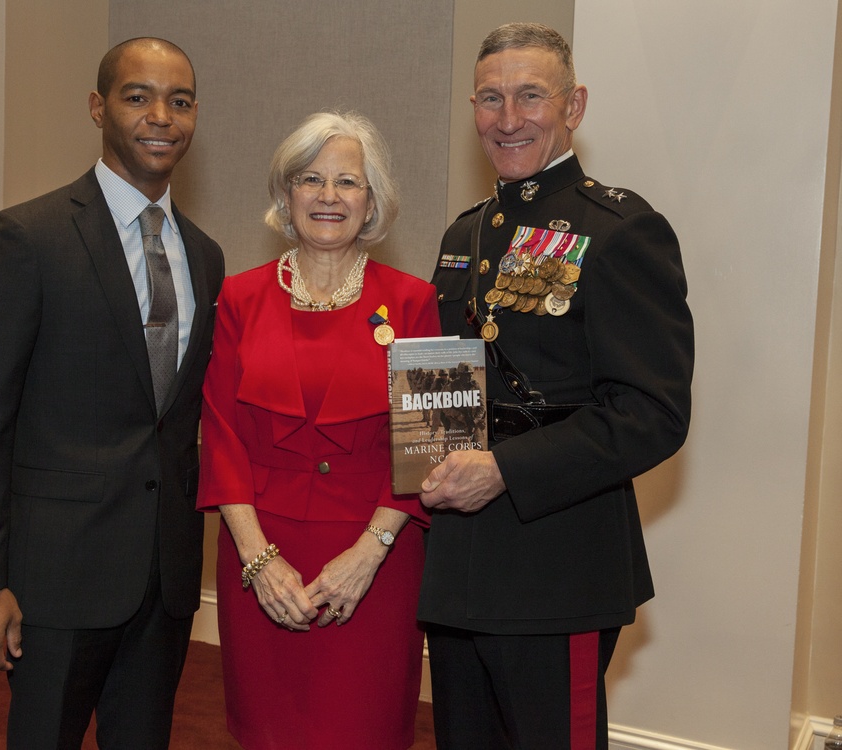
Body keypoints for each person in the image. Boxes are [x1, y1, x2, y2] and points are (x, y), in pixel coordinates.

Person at [0, 37, 224, 749]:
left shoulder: (207, 256)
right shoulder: (26, 239)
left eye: (179, 101)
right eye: (138, 96)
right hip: (53, 579)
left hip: (165, 578)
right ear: (98, 107)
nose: (161, 116)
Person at [419, 22, 693, 750]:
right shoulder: (464, 236)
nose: (509, 119)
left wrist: (504, 469)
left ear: (573, 105)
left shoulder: (621, 230)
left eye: (531, 96)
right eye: (491, 98)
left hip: (557, 565)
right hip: (459, 563)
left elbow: (651, 413)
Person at [197, 111, 440, 750]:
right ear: (286, 194)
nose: (329, 196)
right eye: (311, 179)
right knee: (268, 730)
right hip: (261, 557)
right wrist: (258, 560)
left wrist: (368, 553)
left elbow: (430, 447)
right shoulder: (239, 298)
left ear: (372, 203)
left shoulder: (416, 300)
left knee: (363, 727)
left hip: (376, 559)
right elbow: (221, 435)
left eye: (348, 182)